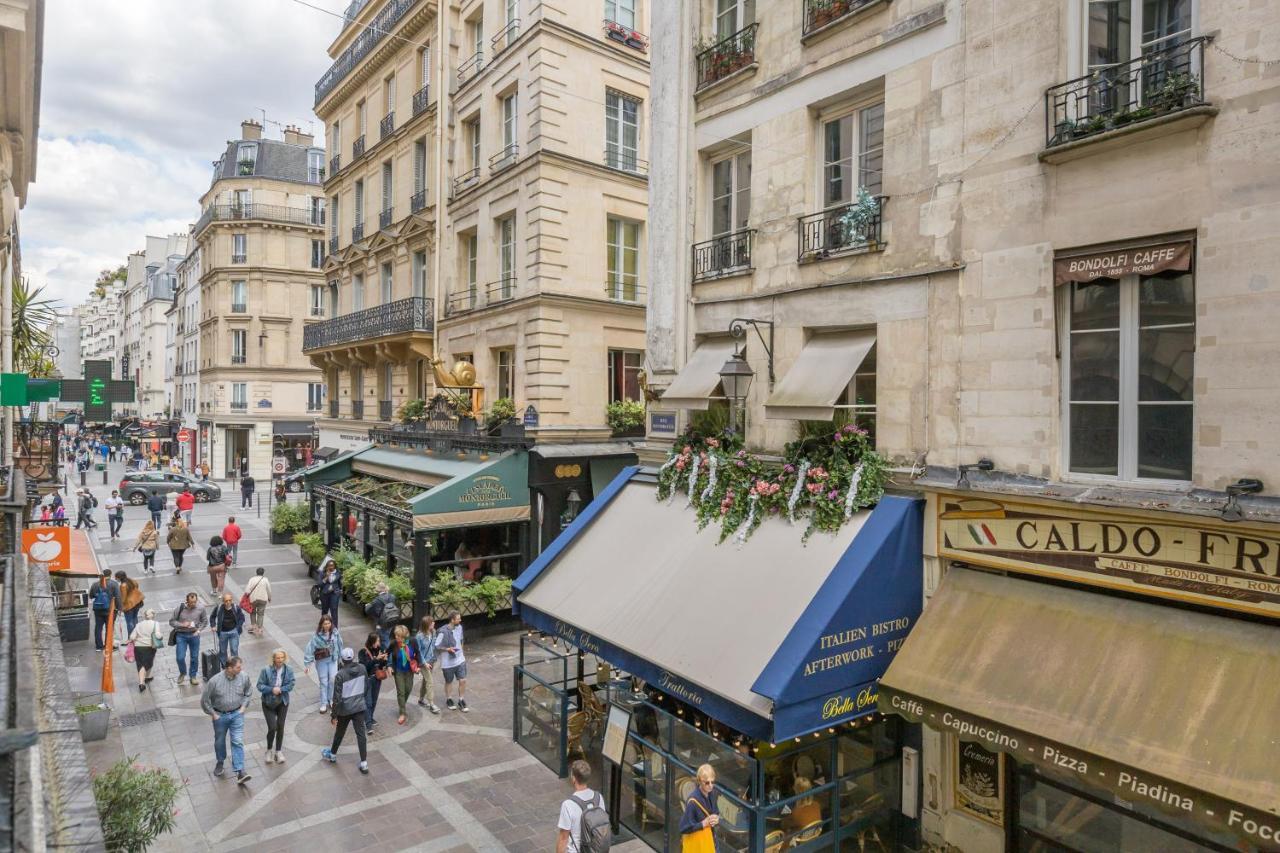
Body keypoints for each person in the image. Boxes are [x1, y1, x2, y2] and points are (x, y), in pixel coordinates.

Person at [199, 656, 253, 785]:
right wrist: (213, 713)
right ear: (229, 668)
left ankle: (240, 771)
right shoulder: (214, 681)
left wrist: (244, 707)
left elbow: (249, 692)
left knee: (237, 741)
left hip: (237, 714)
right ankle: (220, 761)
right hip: (220, 716)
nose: (241, 669)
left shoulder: (244, 677)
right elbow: (204, 700)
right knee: (219, 741)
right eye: (238, 667)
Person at [321, 648, 369, 775]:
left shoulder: (340, 674)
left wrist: (334, 715)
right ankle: (364, 763)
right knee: (361, 735)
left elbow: (336, 698)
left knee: (340, 733)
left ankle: (332, 754)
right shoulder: (362, 668)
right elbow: (366, 687)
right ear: (353, 657)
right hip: (359, 706)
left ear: (341, 660)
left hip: (345, 709)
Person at [556, 760, 607, 853]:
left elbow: (563, 838)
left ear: (574, 778)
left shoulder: (568, 805)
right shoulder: (599, 797)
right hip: (595, 849)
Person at [257, 649, 295, 765]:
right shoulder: (266, 670)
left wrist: (281, 689)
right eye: (278, 658)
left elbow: (291, 684)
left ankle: (278, 751)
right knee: (272, 727)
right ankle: (269, 750)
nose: (280, 660)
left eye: (282, 658)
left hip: (282, 701)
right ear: (273, 658)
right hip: (268, 702)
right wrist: (271, 689)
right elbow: (259, 685)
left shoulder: (289, 670)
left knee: (281, 726)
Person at [303, 615, 342, 713]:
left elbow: (340, 644)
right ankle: (323, 703)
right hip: (322, 661)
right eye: (325, 623)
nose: (327, 625)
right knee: (323, 682)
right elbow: (310, 648)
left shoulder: (335, 633)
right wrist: (308, 664)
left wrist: (341, 658)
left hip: (333, 659)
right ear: (321, 624)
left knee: (333, 680)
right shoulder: (316, 636)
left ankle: (332, 699)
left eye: (329, 623)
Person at [169, 592, 208, 686]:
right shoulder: (180, 608)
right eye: (191, 602)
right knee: (180, 657)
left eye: (195, 602)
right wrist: (182, 624)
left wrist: (198, 631)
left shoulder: (201, 608)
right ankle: (182, 672)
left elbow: (205, 621)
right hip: (181, 635)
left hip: (194, 635)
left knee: (194, 657)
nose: (193, 604)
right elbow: (171, 621)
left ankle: (193, 676)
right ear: (187, 601)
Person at [679, 764, 721, 849]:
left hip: (711, 841)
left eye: (712, 782)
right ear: (700, 781)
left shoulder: (712, 794)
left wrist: (716, 818)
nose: (710, 785)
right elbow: (683, 827)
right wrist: (703, 824)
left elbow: (716, 812)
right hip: (699, 845)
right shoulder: (693, 801)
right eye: (707, 783)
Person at [436, 610, 468, 712]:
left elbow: (461, 640)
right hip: (448, 662)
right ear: (452, 620)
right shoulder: (442, 631)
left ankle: (461, 699)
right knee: (449, 681)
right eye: (458, 618)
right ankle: (449, 699)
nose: (460, 620)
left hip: (460, 659)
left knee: (463, 680)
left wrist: (461, 652)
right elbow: (436, 646)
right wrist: (447, 649)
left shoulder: (460, 627)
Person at [387, 624, 418, 726]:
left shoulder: (412, 642)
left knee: (408, 689)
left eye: (399, 636)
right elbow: (387, 654)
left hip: (409, 671)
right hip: (399, 671)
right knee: (401, 691)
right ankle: (402, 713)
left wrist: (419, 665)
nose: (397, 638)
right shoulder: (394, 644)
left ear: (405, 636)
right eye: (396, 635)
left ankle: (402, 705)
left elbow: (418, 653)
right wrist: (389, 665)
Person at [128, 608, 162, 692]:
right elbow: (158, 635)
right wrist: (160, 636)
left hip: (138, 647)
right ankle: (142, 682)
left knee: (140, 664)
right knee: (146, 664)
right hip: (149, 646)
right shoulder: (155, 623)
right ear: (152, 615)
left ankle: (146, 678)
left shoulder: (138, 624)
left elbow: (132, 637)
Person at [359, 632, 387, 729]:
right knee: (368, 702)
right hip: (367, 680)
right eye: (377, 641)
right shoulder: (363, 652)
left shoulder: (379, 650)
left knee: (374, 701)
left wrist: (384, 660)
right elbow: (364, 667)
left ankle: (370, 717)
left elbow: (381, 666)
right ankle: (368, 724)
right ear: (372, 641)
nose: (379, 643)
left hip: (377, 679)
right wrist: (375, 659)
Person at [89, 570, 122, 651]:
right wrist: (119, 608)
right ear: (110, 575)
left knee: (98, 627)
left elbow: (91, 596)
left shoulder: (95, 584)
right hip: (110, 609)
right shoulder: (114, 584)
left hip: (98, 609)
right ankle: (108, 645)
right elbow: (118, 597)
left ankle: (99, 646)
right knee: (109, 627)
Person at [414, 616, 441, 714]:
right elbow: (418, 651)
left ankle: (421, 699)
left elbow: (434, 646)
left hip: (431, 660)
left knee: (425, 681)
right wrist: (424, 663)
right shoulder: (419, 636)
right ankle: (431, 704)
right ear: (427, 625)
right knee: (430, 681)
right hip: (423, 662)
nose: (434, 623)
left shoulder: (433, 632)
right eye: (431, 622)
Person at [210, 592, 245, 664]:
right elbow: (212, 616)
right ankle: (224, 665)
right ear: (223, 601)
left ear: (232, 600)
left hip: (234, 632)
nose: (228, 602)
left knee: (234, 649)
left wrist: (238, 627)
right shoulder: (219, 608)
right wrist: (213, 625)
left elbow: (242, 618)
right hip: (222, 632)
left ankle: (234, 664)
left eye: (230, 600)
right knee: (222, 651)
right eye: (226, 601)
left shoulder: (236, 607)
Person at [364, 581, 400, 648]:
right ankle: (385, 653)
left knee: (384, 640)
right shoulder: (392, 596)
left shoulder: (376, 600)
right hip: (391, 620)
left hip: (381, 623)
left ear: (378, 590)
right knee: (386, 636)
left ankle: (390, 655)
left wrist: (367, 606)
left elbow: (368, 611)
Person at [115, 570, 144, 636]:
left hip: (129, 605)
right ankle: (136, 634)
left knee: (129, 621)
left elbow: (123, 598)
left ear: (120, 578)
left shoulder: (123, 586)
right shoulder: (131, 580)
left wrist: (120, 607)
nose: (115, 579)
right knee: (135, 618)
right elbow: (137, 586)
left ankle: (131, 637)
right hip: (137, 603)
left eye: (116, 577)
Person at [245, 567, 271, 636]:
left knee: (252, 612)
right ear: (263, 573)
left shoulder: (252, 579)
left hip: (253, 599)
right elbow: (269, 590)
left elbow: (247, 590)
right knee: (261, 614)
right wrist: (269, 598)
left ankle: (254, 626)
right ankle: (259, 629)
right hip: (263, 599)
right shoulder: (265, 580)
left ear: (256, 572)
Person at [318, 558, 342, 627]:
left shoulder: (338, 572)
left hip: (335, 593)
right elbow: (319, 584)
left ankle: (335, 627)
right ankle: (323, 625)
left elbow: (339, 582)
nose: (331, 567)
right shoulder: (322, 573)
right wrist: (326, 577)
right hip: (325, 594)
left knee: (334, 610)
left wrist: (340, 590)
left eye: (332, 565)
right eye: (329, 565)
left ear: (334, 566)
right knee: (325, 610)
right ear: (327, 566)